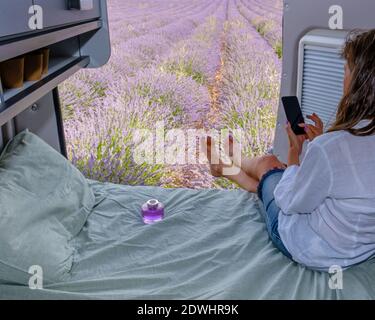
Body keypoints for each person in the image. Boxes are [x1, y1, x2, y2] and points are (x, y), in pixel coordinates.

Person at [202, 29, 375, 271]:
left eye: (347, 69)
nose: (343, 77)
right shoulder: (332, 146)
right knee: (280, 176)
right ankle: (234, 170)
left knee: (272, 164)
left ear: (360, 83)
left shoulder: (331, 148)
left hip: (311, 249)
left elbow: (290, 202)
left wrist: (295, 155)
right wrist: (318, 147)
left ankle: (231, 162)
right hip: (358, 250)